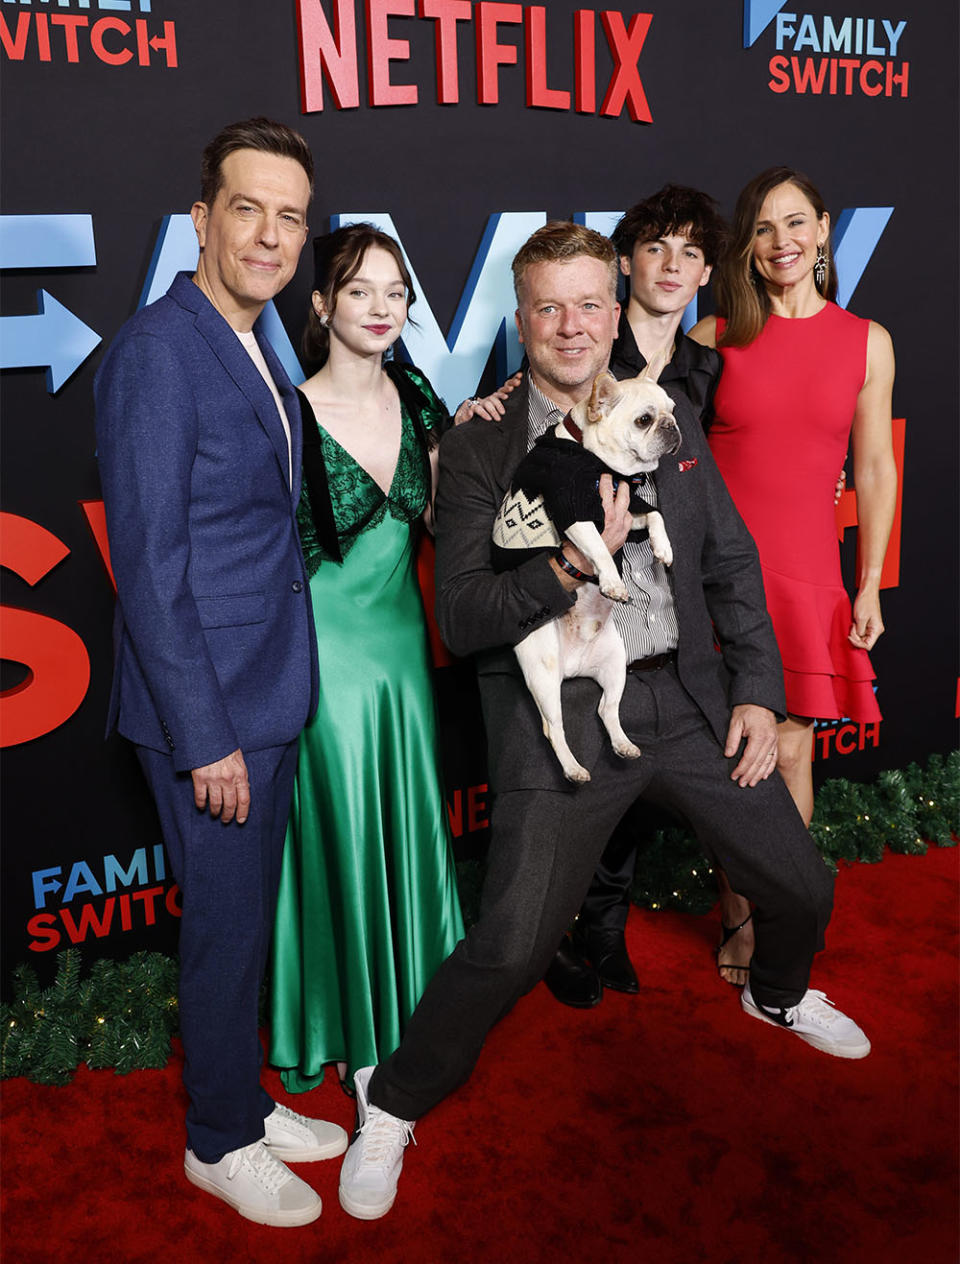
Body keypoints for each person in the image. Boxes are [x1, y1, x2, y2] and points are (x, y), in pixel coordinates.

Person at [335, 221, 869, 1222]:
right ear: (523, 319)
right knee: (512, 942)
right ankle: (394, 1101)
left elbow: (730, 563)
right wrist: (569, 567)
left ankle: (779, 989)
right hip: (562, 717)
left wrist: (755, 688)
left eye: (589, 303)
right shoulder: (485, 440)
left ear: (615, 309)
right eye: (547, 307)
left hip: (684, 699)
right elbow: (460, 615)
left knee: (800, 878)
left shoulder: (662, 412)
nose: (570, 325)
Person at [95, 118, 347, 1229]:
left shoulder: (257, 337)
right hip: (211, 708)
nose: (271, 233)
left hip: (264, 685)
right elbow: (148, 566)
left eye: (291, 215)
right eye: (248, 208)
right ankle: (217, 1139)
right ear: (201, 221)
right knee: (226, 925)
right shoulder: (160, 347)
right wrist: (204, 734)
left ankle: (239, 1096)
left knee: (244, 917)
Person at [268, 224, 465, 1095]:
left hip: (404, 660)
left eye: (396, 291)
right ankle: (351, 1028)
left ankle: (420, 1017)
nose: (382, 307)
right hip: (324, 662)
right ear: (320, 305)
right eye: (359, 291)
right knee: (345, 827)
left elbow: (453, 522)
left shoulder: (421, 398)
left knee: (408, 827)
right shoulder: (287, 411)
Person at [690, 166, 897, 984]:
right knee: (729, 756)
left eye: (797, 223)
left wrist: (870, 581)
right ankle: (737, 912)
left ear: (822, 231)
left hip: (811, 574)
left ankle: (769, 921)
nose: (783, 242)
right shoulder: (715, 338)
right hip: (723, 577)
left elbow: (874, 467)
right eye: (764, 228)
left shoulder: (866, 340)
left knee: (792, 751)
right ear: (747, 246)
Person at [542, 186, 728, 1007]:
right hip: (585, 583)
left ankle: (606, 931)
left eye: (690, 252)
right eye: (656, 248)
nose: (672, 266)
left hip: (665, 601)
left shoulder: (705, 368)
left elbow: (714, 483)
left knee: (636, 778)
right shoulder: (583, 349)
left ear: (706, 274)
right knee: (576, 776)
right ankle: (549, 934)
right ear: (626, 265)